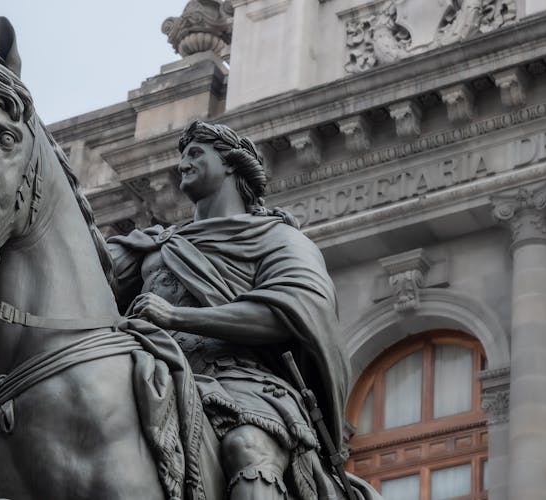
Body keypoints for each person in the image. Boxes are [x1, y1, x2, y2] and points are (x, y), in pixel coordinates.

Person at [108, 121, 374, 500]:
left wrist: (176, 317)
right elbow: (75, 267)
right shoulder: (156, 244)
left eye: (196, 153)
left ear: (231, 163)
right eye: (182, 156)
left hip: (246, 385)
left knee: (249, 449)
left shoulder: (279, 238)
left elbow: (288, 313)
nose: (183, 164)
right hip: (152, 375)